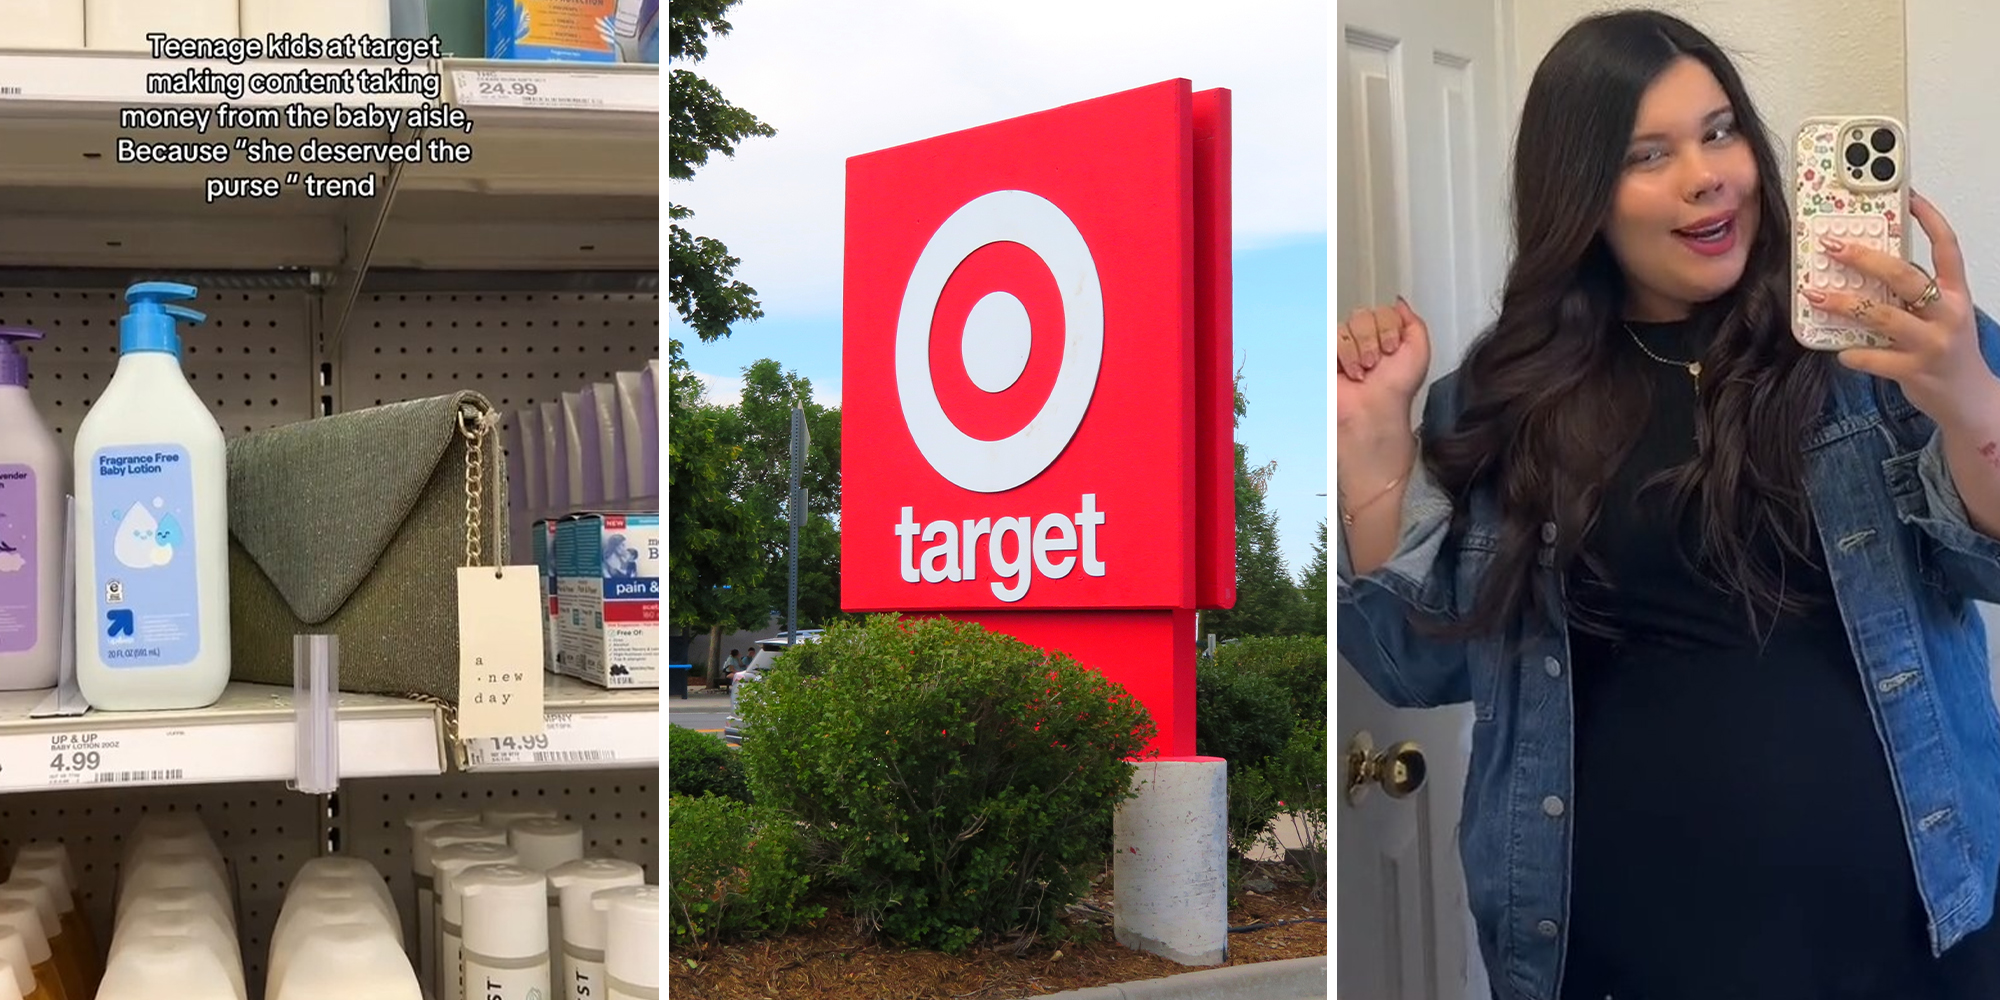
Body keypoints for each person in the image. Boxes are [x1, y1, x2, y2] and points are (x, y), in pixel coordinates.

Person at [1336, 9, 2000, 1000]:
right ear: (1580, 195)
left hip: (1909, 945)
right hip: (1611, 958)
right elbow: (1412, 658)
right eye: (1648, 153)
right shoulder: (1504, 397)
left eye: (1719, 130)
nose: (1705, 174)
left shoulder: (1883, 348)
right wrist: (1376, 446)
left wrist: (1966, 399)